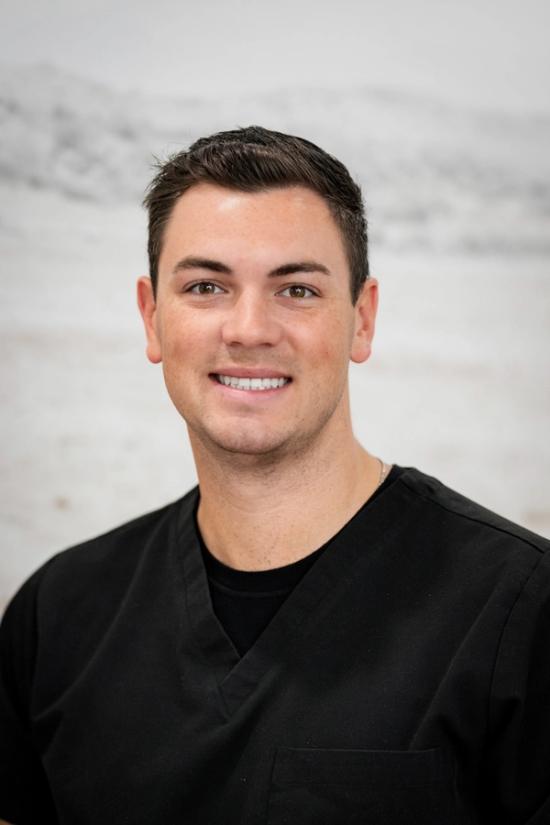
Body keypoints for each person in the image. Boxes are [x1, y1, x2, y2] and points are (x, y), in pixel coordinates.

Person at [1, 126, 549, 825]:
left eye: (295, 288)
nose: (249, 327)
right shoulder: (57, 616)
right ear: (151, 317)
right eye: (206, 285)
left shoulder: (519, 614)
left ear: (362, 318)